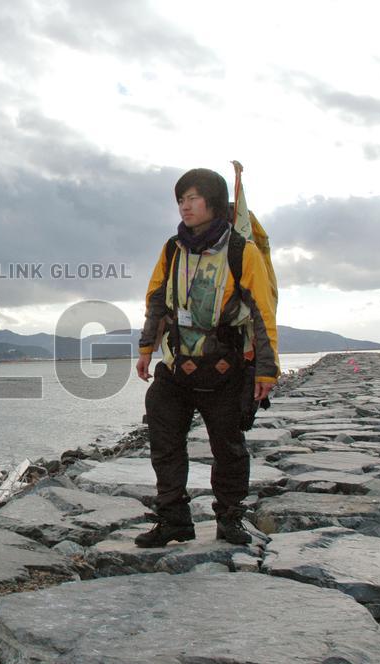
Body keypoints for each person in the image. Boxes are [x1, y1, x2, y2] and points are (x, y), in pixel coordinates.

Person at [133, 167, 278, 547]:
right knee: (163, 441)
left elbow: (262, 312)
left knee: (228, 448)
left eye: (193, 198)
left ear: (213, 202)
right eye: (181, 199)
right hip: (177, 368)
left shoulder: (239, 251)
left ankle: (230, 519)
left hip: (227, 369)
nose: (185, 206)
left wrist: (266, 369)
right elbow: (157, 300)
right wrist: (147, 348)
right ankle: (173, 520)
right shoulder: (172, 249)